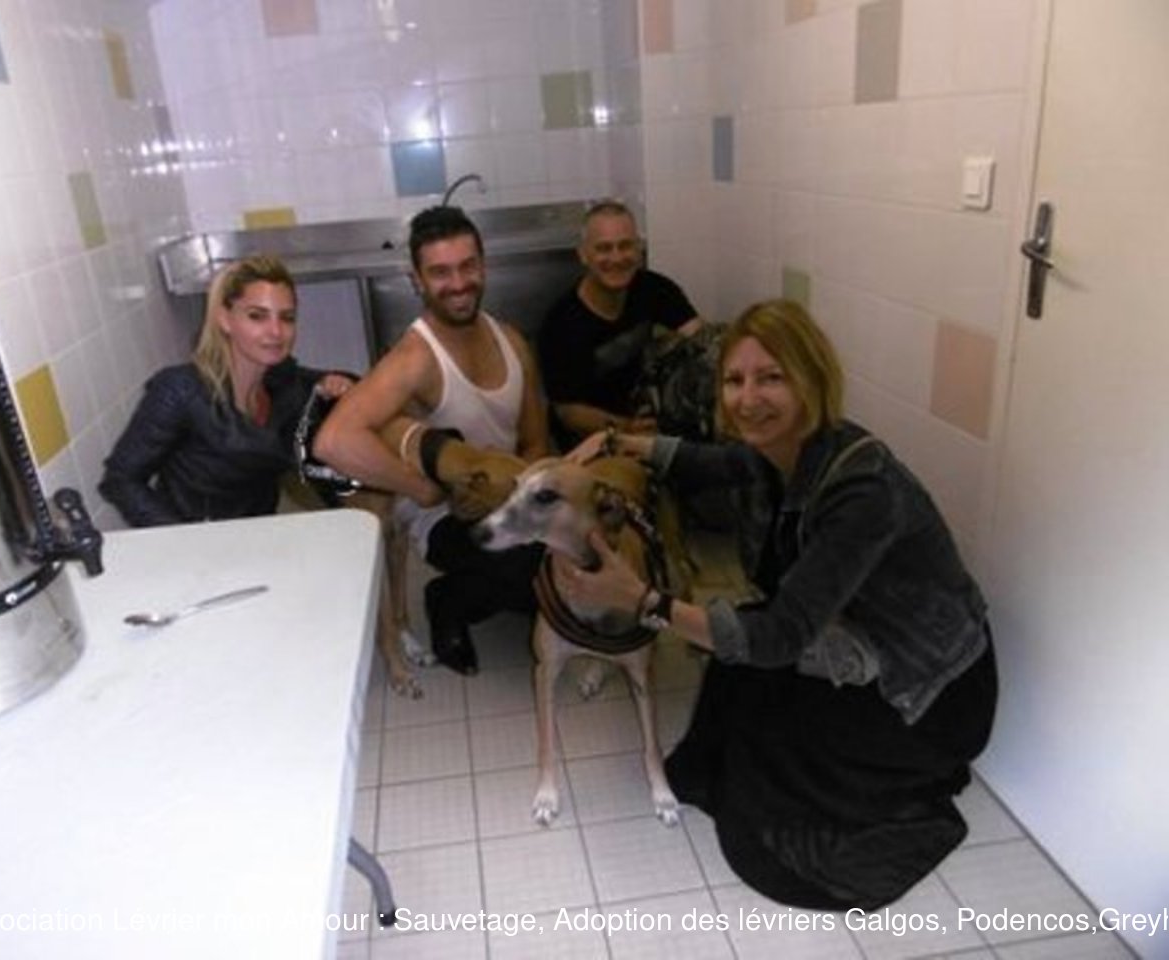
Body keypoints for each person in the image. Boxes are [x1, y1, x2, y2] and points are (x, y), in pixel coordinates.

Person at [559, 299, 998, 911]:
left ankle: (899, 773)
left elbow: (781, 637)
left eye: (771, 378)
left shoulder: (862, 489)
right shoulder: (787, 450)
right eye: (734, 380)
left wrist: (644, 601)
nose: (748, 398)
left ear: (813, 381)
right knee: (736, 675)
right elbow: (717, 462)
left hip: (928, 695)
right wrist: (621, 442)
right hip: (860, 644)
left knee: (767, 735)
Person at [99, 255, 420, 695]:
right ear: (224, 319)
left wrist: (335, 381)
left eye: (286, 318)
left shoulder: (280, 381)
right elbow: (120, 479)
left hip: (258, 545)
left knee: (277, 667)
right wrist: (187, 540)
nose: (275, 332)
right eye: (257, 316)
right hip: (194, 557)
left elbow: (319, 379)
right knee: (229, 680)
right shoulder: (180, 390)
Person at [313, 206, 551, 676]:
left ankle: (511, 582)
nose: (458, 283)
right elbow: (333, 441)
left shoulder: (512, 341)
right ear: (416, 280)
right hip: (442, 516)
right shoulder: (415, 357)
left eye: (467, 266)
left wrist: (518, 495)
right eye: (440, 272)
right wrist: (422, 490)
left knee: (568, 561)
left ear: (484, 266)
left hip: (507, 496)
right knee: (524, 571)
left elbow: (537, 442)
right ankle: (446, 602)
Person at [538, 199, 703, 449]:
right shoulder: (560, 325)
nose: (616, 258)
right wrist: (627, 428)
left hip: (650, 426)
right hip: (592, 439)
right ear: (583, 254)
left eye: (625, 246)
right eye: (604, 248)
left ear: (638, 249)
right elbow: (569, 412)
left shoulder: (656, 289)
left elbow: (701, 338)